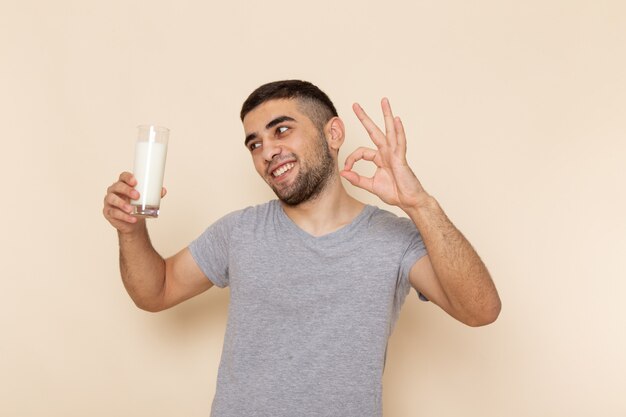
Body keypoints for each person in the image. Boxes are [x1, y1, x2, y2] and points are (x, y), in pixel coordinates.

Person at [103, 80, 501, 417]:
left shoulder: (394, 239)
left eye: (281, 130)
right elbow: (155, 291)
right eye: (254, 144)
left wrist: (419, 203)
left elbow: (480, 310)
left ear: (333, 134)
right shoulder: (239, 231)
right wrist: (130, 230)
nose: (267, 151)